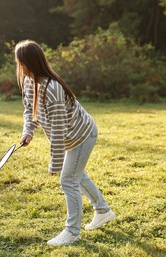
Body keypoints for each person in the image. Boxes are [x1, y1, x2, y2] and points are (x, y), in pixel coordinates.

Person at [14, 40, 115, 246]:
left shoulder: (53, 89)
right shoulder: (29, 81)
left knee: (68, 180)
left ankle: (72, 232)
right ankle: (103, 211)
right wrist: (28, 131)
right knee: (76, 175)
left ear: (28, 62)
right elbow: (29, 110)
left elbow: (59, 131)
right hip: (71, 137)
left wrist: (55, 164)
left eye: (19, 62)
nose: (18, 66)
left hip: (82, 135)